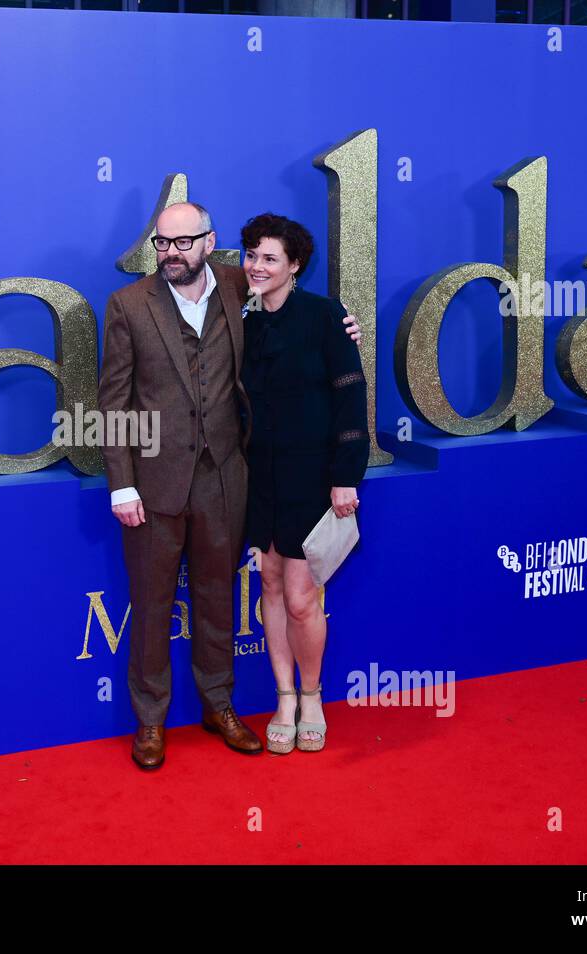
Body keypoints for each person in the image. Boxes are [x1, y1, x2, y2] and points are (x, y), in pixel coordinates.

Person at [97, 201, 360, 770]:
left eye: (183, 242)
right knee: (151, 606)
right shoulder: (128, 305)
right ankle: (150, 721)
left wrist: (344, 324)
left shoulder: (240, 284)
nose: (171, 253)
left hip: (224, 481)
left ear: (208, 242)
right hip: (154, 484)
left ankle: (220, 706)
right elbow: (112, 403)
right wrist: (121, 485)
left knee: (218, 600)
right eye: (162, 244)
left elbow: (298, 303)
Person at [238, 212, 369, 755]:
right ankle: (284, 697)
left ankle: (312, 696)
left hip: (313, 477)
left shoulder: (325, 317)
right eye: (251, 256)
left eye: (270, 258)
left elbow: (351, 397)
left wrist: (346, 477)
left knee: (299, 599)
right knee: (268, 586)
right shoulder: (242, 324)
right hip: (257, 478)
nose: (257, 267)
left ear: (295, 265)